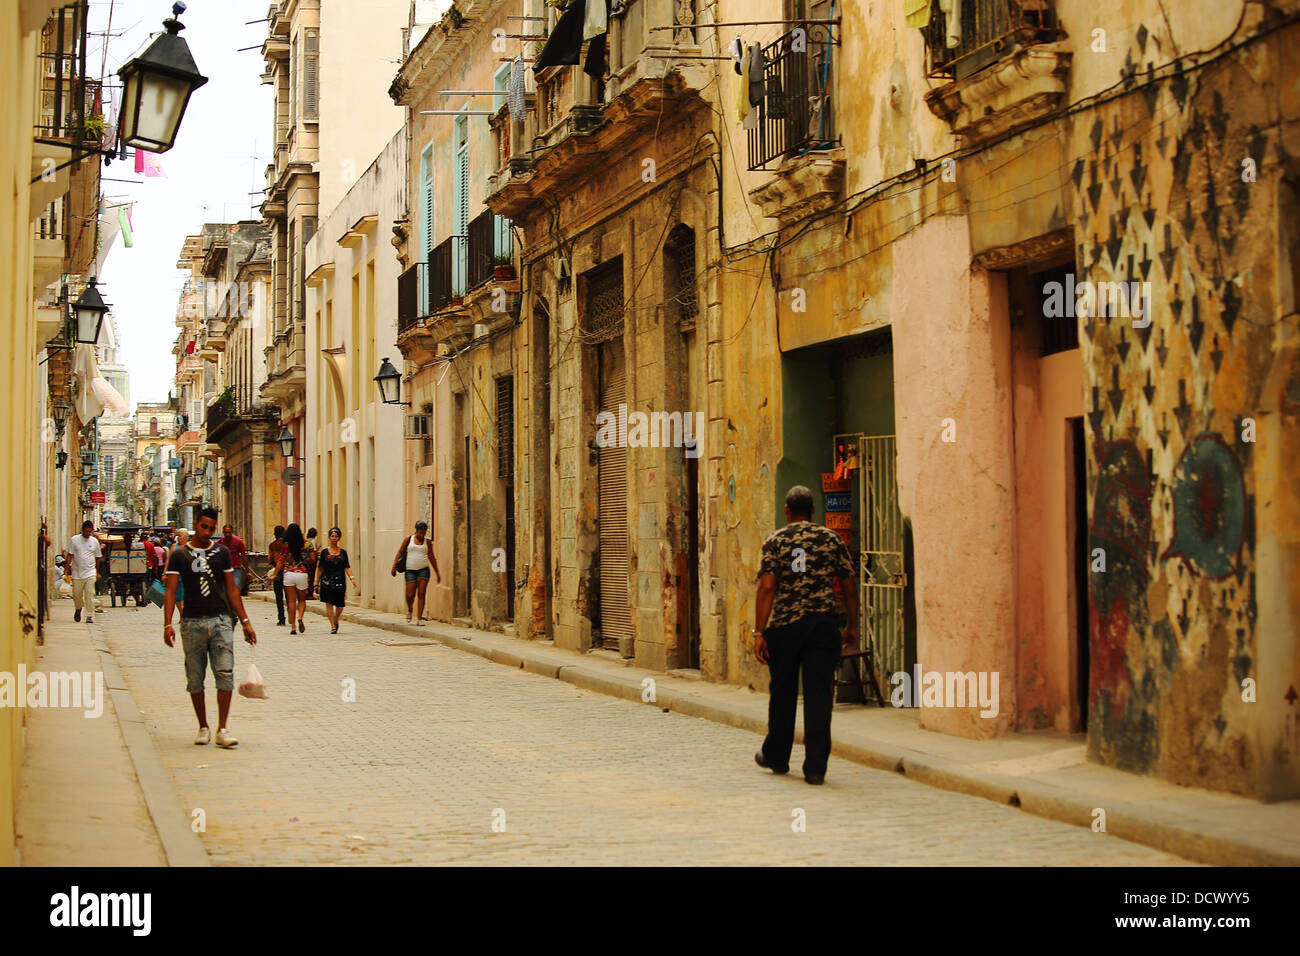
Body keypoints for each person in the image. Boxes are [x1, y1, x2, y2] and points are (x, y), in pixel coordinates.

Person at [752, 485, 858, 786]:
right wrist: (851, 625)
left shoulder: (776, 540)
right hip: (822, 625)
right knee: (819, 695)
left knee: (783, 693)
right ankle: (815, 767)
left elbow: (767, 587)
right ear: (813, 511)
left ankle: (777, 755)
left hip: (786, 626)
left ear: (787, 510)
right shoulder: (831, 539)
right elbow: (848, 586)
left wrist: (760, 632)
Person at [162, 507, 256, 749]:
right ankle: (202, 725)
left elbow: (232, 589)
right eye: (204, 527)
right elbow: (171, 590)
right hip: (191, 622)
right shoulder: (179, 555)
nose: (207, 532)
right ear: (196, 525)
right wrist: (167, 623)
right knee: (195, 677)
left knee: (225, 673)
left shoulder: (221, 553)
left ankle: (222, 728)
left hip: (220, 620)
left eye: (211, 528)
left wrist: (245, 621)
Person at [391, 520, 440, 625]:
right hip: (410, 571)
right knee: (409, 594)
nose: (422, 535)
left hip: (424, 570)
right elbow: (399, 552)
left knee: (421, 593)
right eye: (420, 532)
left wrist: (437, 573)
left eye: (424, 532)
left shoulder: (427, 543)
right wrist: (394, 566)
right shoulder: (408, 540)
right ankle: (410, 609)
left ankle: (419, 618)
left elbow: (432, 557)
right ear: (416, 531)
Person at [316, 527, 357, 634]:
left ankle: (336, 618)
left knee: (340, 604)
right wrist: (316, 582)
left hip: (340, 580)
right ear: (329, 537)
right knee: (328, 602)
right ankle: (332, 626)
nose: (334, 538)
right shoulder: (325, 552)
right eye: (332, 536)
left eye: (336, 536)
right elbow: (320, 568)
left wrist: (352, 578)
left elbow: (347, 566)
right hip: (327, 581)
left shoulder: (343, 552)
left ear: (339, 538)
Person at [63, 520, 103, 624]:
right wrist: (66, 571)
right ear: (82, 530)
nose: (87, 534)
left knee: (90, 593)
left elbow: (98, 558)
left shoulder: (94, 542)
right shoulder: (74, 540)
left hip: (90, 572)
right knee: (77, 595)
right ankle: (78, 608)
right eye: (86, 531)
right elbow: (70, 555)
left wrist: (97, 572)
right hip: (77, 573)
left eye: (90, 532)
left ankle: (89, 615)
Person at [279, 523, 310, 633]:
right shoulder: (306, 545)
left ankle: (293, 626)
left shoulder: (285, 546)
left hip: (289, 574)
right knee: (301, 600)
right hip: (302, 573)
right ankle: (300, 617)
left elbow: (281, 560)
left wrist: (274, 574)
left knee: (291, 601)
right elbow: (311, 559)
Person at [268, 525, 287, 626]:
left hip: (277, 572)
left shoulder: (272, 545)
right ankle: (291, 616)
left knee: (279, 597)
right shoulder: (287, 545)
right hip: (287, 571)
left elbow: (270, 559)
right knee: (289, 597)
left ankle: (281, 618)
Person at [304, 527, 319, 600]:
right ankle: (310, 594)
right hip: (312, 562)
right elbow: (314, 552)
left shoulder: (307, 541)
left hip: (306, 561)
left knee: (307, 577)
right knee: (311, 578)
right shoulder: (313, 541)